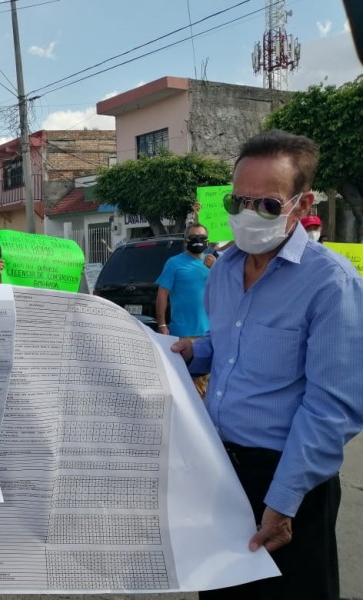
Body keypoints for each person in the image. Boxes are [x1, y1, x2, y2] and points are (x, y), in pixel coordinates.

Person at [172, 130, 363, 599]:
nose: (247, 216)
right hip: (218, 468)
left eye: (267, 205)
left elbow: (331, 409)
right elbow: (226, 346)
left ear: (302, 204)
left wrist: (282, 502)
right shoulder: (224, 270)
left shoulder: (331, 283)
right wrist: (191, 351)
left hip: (288, 480)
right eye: (238, 202)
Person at [155, 223, 211, 397]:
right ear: (186, 241)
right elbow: (162, 294)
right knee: (188, 387)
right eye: (194, 238)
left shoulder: (213, 263)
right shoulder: (174, 263)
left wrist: (216, 268)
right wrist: (162, 324)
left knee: (207, 386)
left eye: (202, 238)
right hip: (184, 334)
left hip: (210, 334)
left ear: (208, 241)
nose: (198, 242)